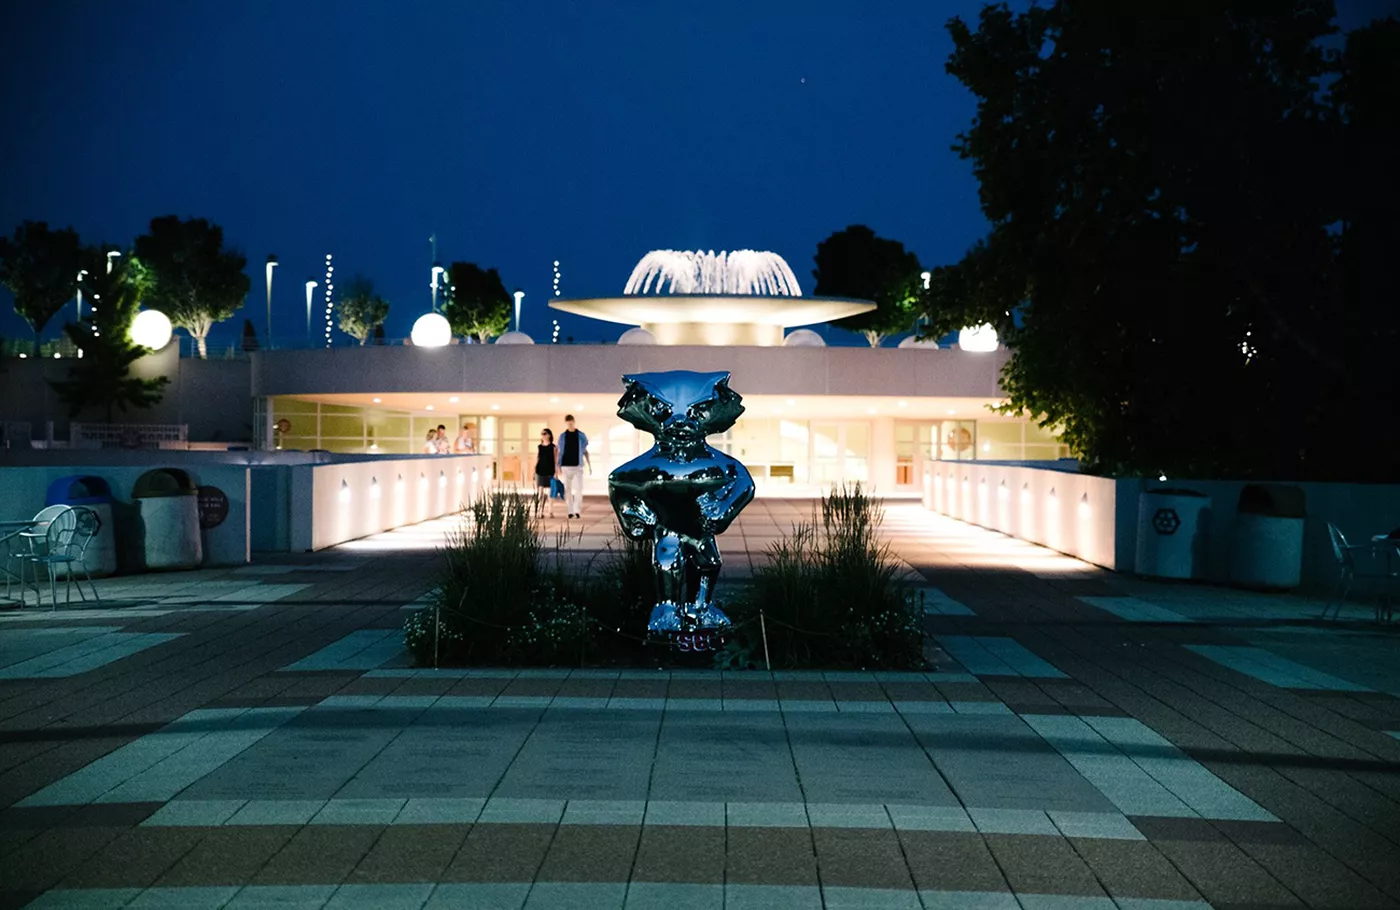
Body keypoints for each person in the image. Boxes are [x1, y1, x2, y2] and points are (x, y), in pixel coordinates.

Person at [557, 414, 590, 519]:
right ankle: (570, 510)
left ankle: (577, 510)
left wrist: (589, 465)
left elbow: (585, 449)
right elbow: (559, 451)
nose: (570, 423)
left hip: (578, 465)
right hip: (565, 465)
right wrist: (558, 465)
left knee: (579, 488)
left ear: (574, 422)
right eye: (568, 422)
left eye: (571, 421)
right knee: (567, 489)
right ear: (566, 423)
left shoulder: (580, 435)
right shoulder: (562, 436)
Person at [534, 428, 557, 518]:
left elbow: (555, 460)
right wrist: (534, 470)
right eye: (542, 434)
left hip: (550, 471)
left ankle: (550, 511)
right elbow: (537, 458)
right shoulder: (539, 447)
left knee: (550, 493)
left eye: (545, 433)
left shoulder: (553, 447)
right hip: (540, 471)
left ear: (549, 435)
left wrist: (556, 472)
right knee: (540, 493)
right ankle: (540, 511)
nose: (543, 435)